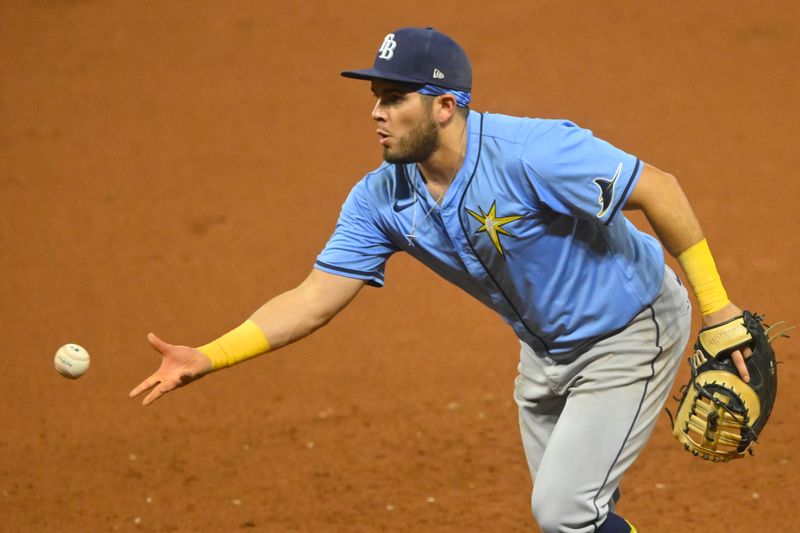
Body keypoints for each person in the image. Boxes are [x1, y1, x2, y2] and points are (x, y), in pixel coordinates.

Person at [130, 27, 751, 533]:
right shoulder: (380, 199)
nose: (377, 113)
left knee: (562, 512)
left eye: (395, 99)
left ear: (445, 105)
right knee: (580, 517)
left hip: (630, 330)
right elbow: (314, 298)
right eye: (375, 97)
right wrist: (208, 356)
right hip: (545, 353)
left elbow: (659, 189)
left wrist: (718, 311)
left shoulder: (533, 152)